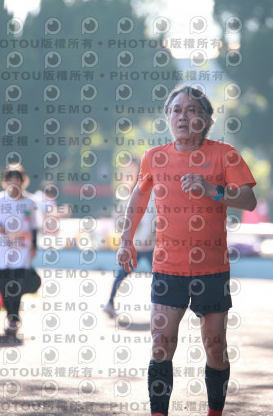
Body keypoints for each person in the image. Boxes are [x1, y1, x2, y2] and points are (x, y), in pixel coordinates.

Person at [116, 85, 257, 416]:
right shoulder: (155, 157)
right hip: (168, 268)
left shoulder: (225, 154)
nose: (182, 116)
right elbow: (139, 196)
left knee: (215, 347)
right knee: (161, 344)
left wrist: (213, 190)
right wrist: (126, 239)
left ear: (205, 119)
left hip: (212, 269)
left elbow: (249, 200)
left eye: (191, 110)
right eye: (176, 110)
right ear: (168, 117)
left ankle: (214, 412)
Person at [0, 164, 39, 336]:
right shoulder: (0, 199)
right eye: (11, 180)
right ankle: (10, 314)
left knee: (18, 283)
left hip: (22, 249)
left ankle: (14, 318)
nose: (14, 184)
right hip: (3, 248)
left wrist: (34, 245)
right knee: (3, 283)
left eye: (18, 180)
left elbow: (35, 225)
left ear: (23, 181)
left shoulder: (30, 202)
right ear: (5, 182)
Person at [104, 157, 156, 317]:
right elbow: (119, 220)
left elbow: (153, 218)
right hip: (136, 244)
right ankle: (110, 303)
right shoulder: (128, 194)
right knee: (122, 274)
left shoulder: (151, 192)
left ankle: (166, 306)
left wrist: (148, 236)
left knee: (161, 277)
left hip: (150, 244)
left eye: (133, 170)